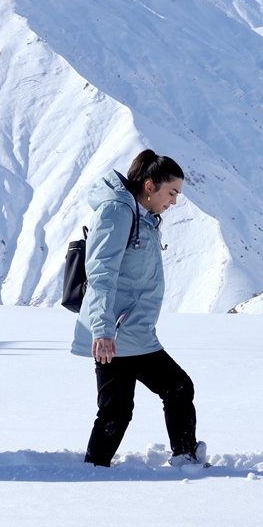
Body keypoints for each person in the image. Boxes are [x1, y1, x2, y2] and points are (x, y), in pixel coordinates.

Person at [72, 149, 206, 468]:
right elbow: (101, 272)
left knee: (129, 405)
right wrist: (103, 330)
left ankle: (99, 466)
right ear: (150, 186)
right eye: (171, 192)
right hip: (117, 333)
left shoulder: (141, 216)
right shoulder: (118, 212)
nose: (173, 201)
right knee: (158, 394)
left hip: (131, 332)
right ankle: (181, 458)